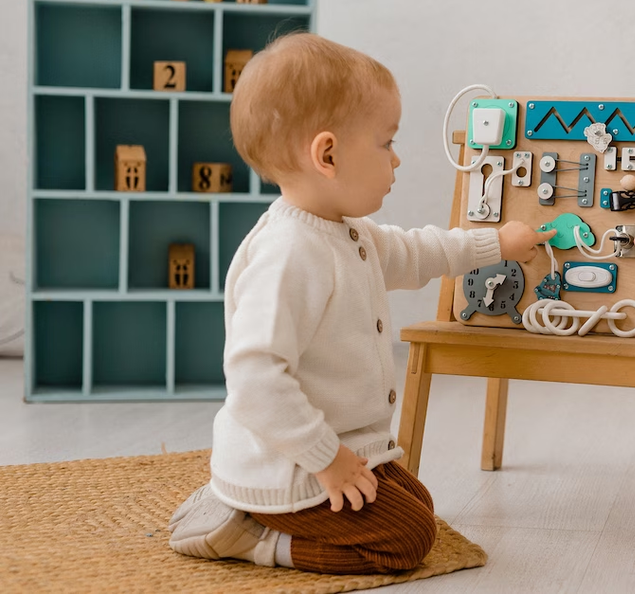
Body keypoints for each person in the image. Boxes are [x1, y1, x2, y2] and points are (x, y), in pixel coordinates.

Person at [167, 33, 552, 574]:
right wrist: (327, 460)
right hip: (287, 460)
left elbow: (420, 251)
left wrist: (497, 244)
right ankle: (250, 535)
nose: (396, 159)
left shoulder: (348, 233)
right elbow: (255, 379)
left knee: (418, 504)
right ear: (327, 154)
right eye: (386, 142)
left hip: (336, 443)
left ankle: (256, 514)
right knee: (405, 540)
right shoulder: (289, 254)